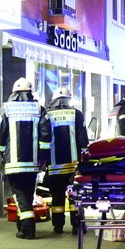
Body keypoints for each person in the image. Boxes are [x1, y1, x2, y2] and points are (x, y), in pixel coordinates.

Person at [0, 78, 44, 239]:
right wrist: (43, 158)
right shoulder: (39, 108)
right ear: (30, 92)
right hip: (33, 162)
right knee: (27, 194)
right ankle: (22, 226)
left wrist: (4, 153)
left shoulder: (5, 109)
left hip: (13, 163)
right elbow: (46, 136)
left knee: (20, 195)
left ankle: (28, 229)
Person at [39, 86, 89, 234]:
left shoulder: (47, 115)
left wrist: (44, 160)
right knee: (75, 196)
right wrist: (84, 159)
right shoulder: (77, 114)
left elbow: (44, 140)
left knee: (57, 197)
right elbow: (83, 140)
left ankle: (58, 226)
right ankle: (77, 225)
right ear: (69, 99)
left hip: (54, 166)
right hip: (73, 165)